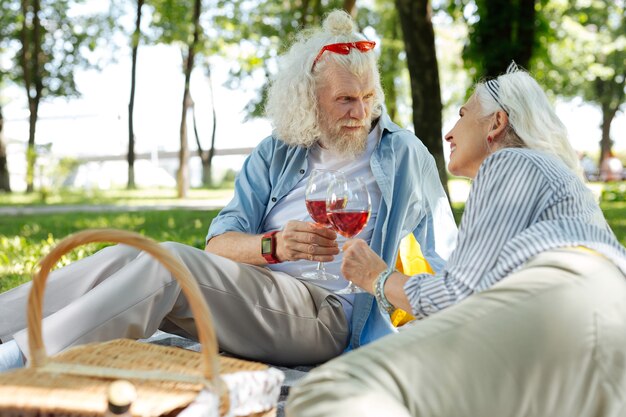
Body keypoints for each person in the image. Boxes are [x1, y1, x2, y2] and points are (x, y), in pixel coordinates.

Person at [0, 10, 457, 372]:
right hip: (261, 289)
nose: (360, 112)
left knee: (169, 266)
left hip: (331, 313)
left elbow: (443, 258)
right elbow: (218, 243)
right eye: (344, 100)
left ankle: (22, 358)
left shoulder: (405, 156)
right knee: (135, 254)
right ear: (309, 98)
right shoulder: (278, 152)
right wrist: (272, 246)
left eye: (367, 97)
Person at [286, 64, 626, 416]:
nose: (449, 133)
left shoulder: (510, 162)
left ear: (496, 124)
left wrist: (378, 278)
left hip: (569, 297)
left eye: (463, 115)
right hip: (603, 322)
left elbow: (456, 296)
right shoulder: (547, 174)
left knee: (334, 389)